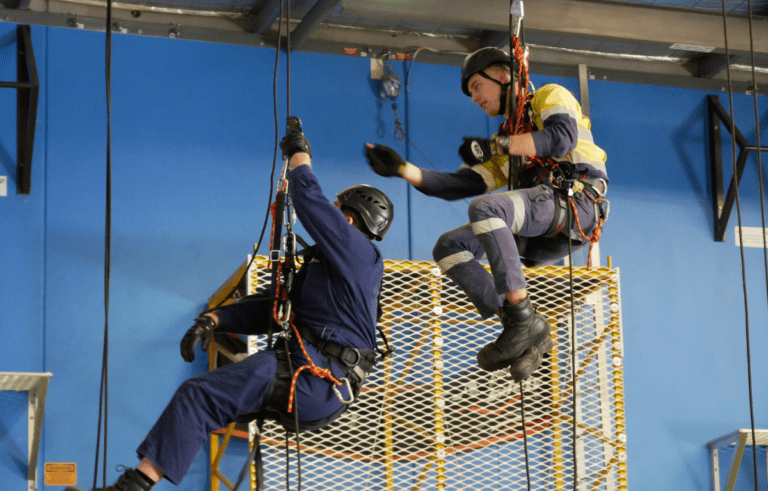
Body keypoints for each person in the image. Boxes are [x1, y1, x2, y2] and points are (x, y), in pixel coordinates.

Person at [66, 128, 394, 491]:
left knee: (198, 395)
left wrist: (299, 154)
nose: (330, 216)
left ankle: (133, 487)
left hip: (318, 377)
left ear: (349, 221)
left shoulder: (362, 256)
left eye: (337, 212)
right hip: (311, 377)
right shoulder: (324, 271)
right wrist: (214, 320)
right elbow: (275, 310)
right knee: (204, 401)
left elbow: (309, 198)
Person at [365, 46, 608, 382]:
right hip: (540, 213)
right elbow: (463, 183)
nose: (473, 97)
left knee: (487, 207)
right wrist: (403, 169)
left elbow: (561, 139)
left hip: (577, 202)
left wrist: (497, 147)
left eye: (476, 86)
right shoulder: (509, 137)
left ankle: (523, 319)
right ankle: (523, 331)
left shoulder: (550, 96)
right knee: (449, 247)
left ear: (504, 75)